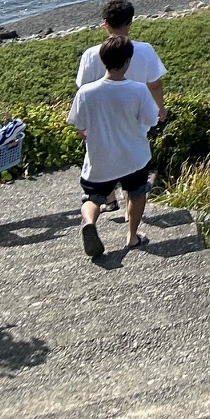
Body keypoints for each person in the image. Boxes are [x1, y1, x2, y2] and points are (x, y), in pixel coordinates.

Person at [67, 35, 159, 257]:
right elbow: (151, 119)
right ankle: (132, 237)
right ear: (127, 62)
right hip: (133, 155)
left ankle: (89, 222)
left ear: (102, 59)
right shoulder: (137, 89)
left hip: (100, 158)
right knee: (137, 194)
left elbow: (79, 125)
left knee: (93, 198)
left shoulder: (86, 92)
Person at [76, 0, 166, 116]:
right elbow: (155, 85)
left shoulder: (90, 54)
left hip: (103, 118)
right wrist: (160, 108)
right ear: (130, 21)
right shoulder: (145, 50)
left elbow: (84, 88)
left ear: (106, 24)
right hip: (136, 115)